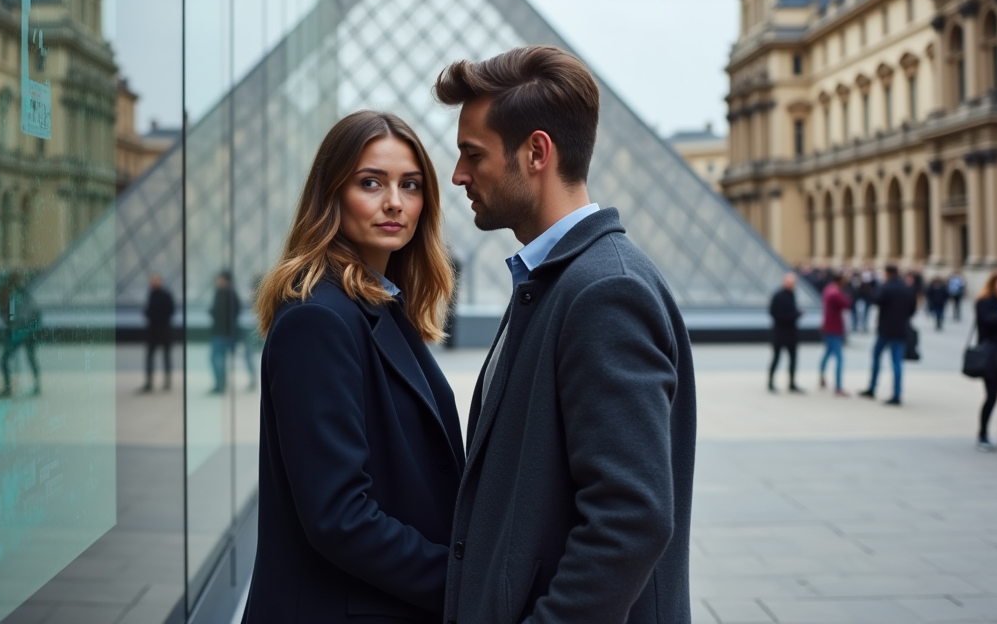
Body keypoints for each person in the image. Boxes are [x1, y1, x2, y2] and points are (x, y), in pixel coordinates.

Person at [435, 46, 695, 623]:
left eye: (471, 155)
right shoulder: (560, 280)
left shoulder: (604, 293)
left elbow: (631, 517)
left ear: (536, 152)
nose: (457, 176)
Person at [242, 110, 462, 623]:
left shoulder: (377, 306)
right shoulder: (317, 319)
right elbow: (339, 516)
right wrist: (464, 585)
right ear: (331, 194)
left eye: (411, 185)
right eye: (371, 183)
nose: (395, 202)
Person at [860, 264, 917, 405]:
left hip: (885, 329)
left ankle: (872, 387)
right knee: (897, 363)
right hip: (900, 329)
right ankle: (897, 394)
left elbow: (875, 300)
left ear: (887, 273)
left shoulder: (886, 288)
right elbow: (912, 309)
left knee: (876, 358)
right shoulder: (906, 289)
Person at [973, 271, 997, 451]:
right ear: (994, 283)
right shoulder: (985, 302)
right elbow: (989, 322)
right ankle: (983, 434)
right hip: (991, 357)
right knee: (992, 396)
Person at [0, 272, 42, 398]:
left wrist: (9, 324)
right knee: (31, 358)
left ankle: (8, 388)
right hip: (29, 332)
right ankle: (37, 385)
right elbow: (36, 313)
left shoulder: (13, 298)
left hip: (18, 333)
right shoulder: (27, 296)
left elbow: (11, 318)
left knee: (4, 360)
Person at [208, 271, 243, 394]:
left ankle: (220, 384)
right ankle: (220, 383)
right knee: (217, 358)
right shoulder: (221, 293)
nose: (217, 281)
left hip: (223, 332)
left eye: (220, 279)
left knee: (217, 358)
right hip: (220, 331)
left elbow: (228, 312)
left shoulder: (229, 294)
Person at [818, 271, 853, 395]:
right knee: (839, 358)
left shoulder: (828, 290)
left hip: (828, 326)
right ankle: (838, 387)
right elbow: (847, 303)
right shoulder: (836, 293)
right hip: (834, 328)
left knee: (827, 353)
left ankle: (821, 376)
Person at [768, 273, 803, 393]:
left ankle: (792, 383)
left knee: (793, 358)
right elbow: (775, 313)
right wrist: (795, 315)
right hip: (780, 332)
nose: (793, 285)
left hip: (790, 333)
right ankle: (770, 382)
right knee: (776, 358)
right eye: (791, 282)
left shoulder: (791, 294)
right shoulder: (778, 295)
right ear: (785, 282)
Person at [141, 274, 176, 392]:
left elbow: (171, 310)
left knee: (165, 357)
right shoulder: (152, 294)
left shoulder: (164, 295)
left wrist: (153, 316)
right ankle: (149, 382)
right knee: (151, 357)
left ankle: (167, 382)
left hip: (163, 330)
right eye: (152, 280)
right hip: (155, 330)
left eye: (155, 280)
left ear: (160, 281)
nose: (153, 282)